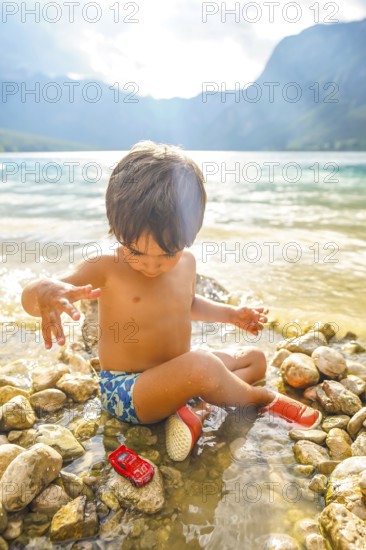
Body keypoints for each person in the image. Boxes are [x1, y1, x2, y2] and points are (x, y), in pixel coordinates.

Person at [21, 141, 321, 462]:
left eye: (167, 253)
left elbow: (188, 305)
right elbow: (35, 298)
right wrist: (42, 290)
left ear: (189, 235)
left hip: (179, 374)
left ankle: (196, 407)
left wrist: (232, 314)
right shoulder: (106, 267)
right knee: (204, 365)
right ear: (116, 229)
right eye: (135, 252)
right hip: (128, 390)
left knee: (254, 358)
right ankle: (259, 398)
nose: (151, 266)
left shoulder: (188, 263)